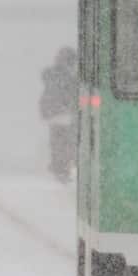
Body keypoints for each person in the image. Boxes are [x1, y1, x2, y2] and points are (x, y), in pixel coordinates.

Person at [39, 46, 78, 182]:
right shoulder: (69, 77)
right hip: (65, 113)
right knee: (67, 141)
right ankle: (63, 165)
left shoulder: (52, 74)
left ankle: (59, 166)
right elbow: (73, 94)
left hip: (53, 113)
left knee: (57, 141)